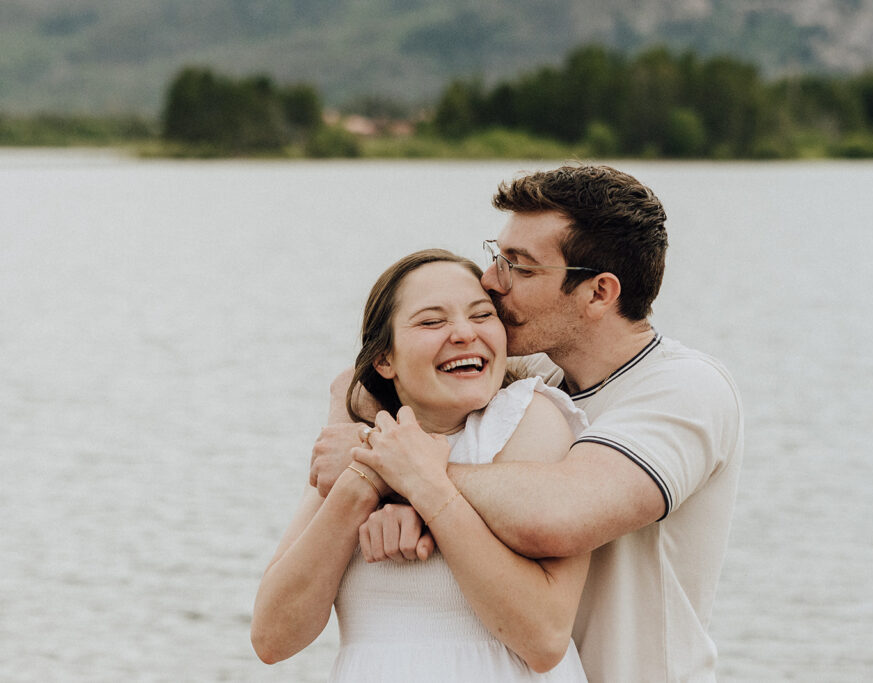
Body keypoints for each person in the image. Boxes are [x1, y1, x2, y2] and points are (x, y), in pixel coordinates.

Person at [315, 165, 744, 682]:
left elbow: (558, 515)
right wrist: (374, 457)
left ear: (599, 293)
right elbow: (362, 380)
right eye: (498, 256)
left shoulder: (683, 390)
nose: (491, 282)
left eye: (520, 267)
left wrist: (396, 473)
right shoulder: (534, 373)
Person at [252, 249, 591, 681]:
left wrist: (419, 490)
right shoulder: (353, 445)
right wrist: (365, 479)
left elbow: (543, 640)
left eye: (483, 315)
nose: (464, 333)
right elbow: (273, 639)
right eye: (432, 322)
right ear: (384, 359)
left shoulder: (525, 417)